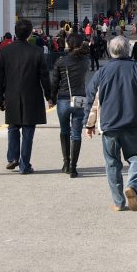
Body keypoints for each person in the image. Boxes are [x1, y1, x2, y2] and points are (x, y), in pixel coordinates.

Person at [84, 35, 137, 211]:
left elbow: (93, 100)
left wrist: (89, 124)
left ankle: (118, 202)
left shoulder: (101, 73)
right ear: (128, 50)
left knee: (112, 163)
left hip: (109, 124)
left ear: (111, 51)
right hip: (133, 122)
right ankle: (132, 185)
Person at [0, 20, 52, 175]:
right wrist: (49, 95)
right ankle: (24, 164)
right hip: (31, 94)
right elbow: (44, 76)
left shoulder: (5, 51)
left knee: (13, 126)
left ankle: (13, 157)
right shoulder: (37, 52)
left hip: (12, 94)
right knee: (28, 130)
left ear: (15, 32)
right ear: (30, 33)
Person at [50, 33, 91, 178]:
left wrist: (51, 99)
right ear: (81, 44)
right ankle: (73, 167)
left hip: (63, 99)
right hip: (79, 99)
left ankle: (66, 163)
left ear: (68, 44)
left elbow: (54, 82)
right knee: (76, 134)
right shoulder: (85, 61)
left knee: (64, 131)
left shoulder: (61, 61)